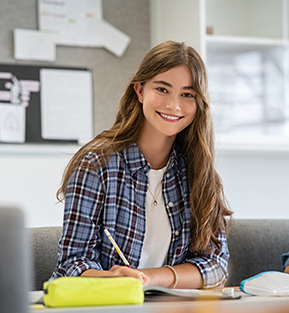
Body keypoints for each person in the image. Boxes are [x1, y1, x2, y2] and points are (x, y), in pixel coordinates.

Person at [51, 41, 233, 289]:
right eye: (162, 89)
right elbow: (71, 265)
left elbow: (216, 266)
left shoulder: (197, 170)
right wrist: (114, 279)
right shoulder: (96, 165)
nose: (173, 105)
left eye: (187, 94)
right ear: (139, 91)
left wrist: (148, 278)